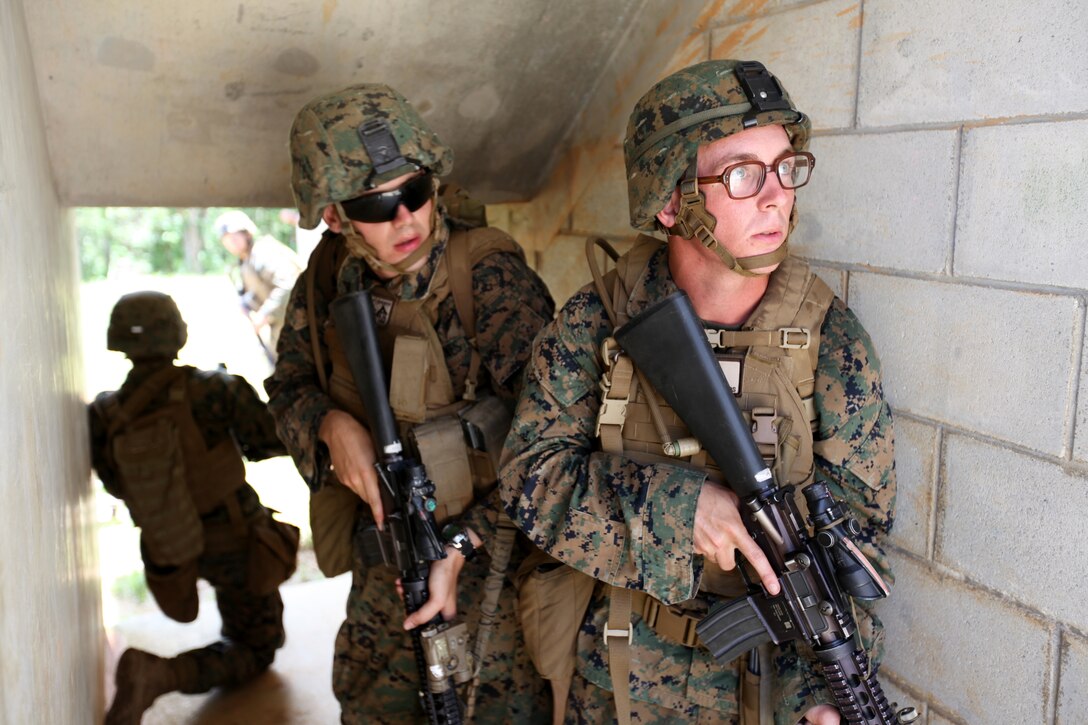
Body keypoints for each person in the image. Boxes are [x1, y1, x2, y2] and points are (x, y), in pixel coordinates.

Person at [500, 60, 897, 725]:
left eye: (785, 167)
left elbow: (857, 537)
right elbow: (527, 478)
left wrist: (823, 698)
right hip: (619, 678)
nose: (777, 197)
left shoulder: (832, 339)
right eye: (743, 174)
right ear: (669, 200)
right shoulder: (597, 322)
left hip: (765, 690)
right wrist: (681, 510)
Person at [264, 83, 555, 723]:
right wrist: (329, 425)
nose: (407, 219)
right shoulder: (326, 279)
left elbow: (556, 444)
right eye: (378, 202)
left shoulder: (488, 277)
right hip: (386, 564)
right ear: (335, 215)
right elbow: (286, 387)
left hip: (491, 565)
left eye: (416, 192)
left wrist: (461, 546)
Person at [89, 291, 299, 724]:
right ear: (176, 334)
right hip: (237, 542)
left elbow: (116, 484)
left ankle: (174, 664)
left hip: (169, 549)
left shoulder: (105, 413)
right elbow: (269, 441)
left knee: (237, 621)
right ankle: (160, 675)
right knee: (257, 648)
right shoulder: (212, 389)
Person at [213, 209, 303, 361]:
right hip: (284, 326)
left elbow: (288, 284)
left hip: (298, 323)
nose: (231, 243)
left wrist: (265, 313)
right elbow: (260, 290)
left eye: (235, 237)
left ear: (247, 234)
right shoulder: (246, 261)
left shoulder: (264, 253)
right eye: (227, 240)